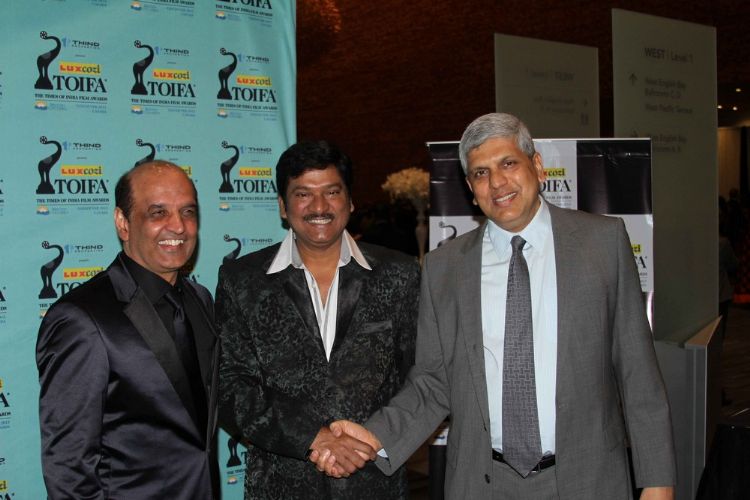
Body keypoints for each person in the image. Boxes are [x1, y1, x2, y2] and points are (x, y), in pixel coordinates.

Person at [316, 113, 677, 499]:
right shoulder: (444, 268)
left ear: (537, 166)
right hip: (482, 483)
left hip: (588, 479)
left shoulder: (601, 243)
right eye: (481, 173)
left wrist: (658, 481)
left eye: (508, 164)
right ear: (471, 189)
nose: (498, 183)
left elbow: (637, 372)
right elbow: (433, 381)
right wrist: (373, 436)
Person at [215, 140, 420, 499]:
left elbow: (421, 378)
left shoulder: (400, 275)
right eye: (303, 194)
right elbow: (230, 386)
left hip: (376, 482)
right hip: (280, 487)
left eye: (332, 192)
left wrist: (375, 439)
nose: (319, 207)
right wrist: (313, 437)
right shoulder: (242, 281)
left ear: (350, 201)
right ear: (283, 206)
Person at [37, 161, 219, 499]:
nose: (178, 226)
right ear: (123, 223)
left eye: (188, 212)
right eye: (158, 213)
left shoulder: (200, 300)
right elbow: (68, 466)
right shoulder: (82, 318)